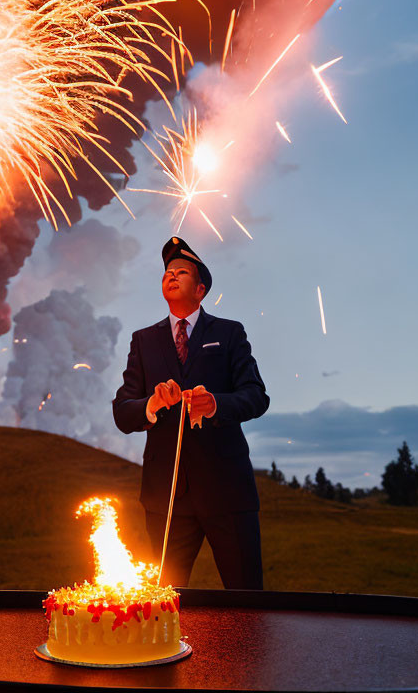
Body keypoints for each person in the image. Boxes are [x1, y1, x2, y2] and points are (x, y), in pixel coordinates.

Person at [112, 236, 269, 589]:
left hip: (226, 490)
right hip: (166, 497)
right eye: (167, 271)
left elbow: (256, 396)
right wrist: (151, 404)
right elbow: (123, 412)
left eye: (181, 271)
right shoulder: (143, 341)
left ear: (200, 290)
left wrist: (216, 403)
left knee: (246, 597)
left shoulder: (229, 333)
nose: (171, 275)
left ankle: (248, 648)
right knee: (164, 603)